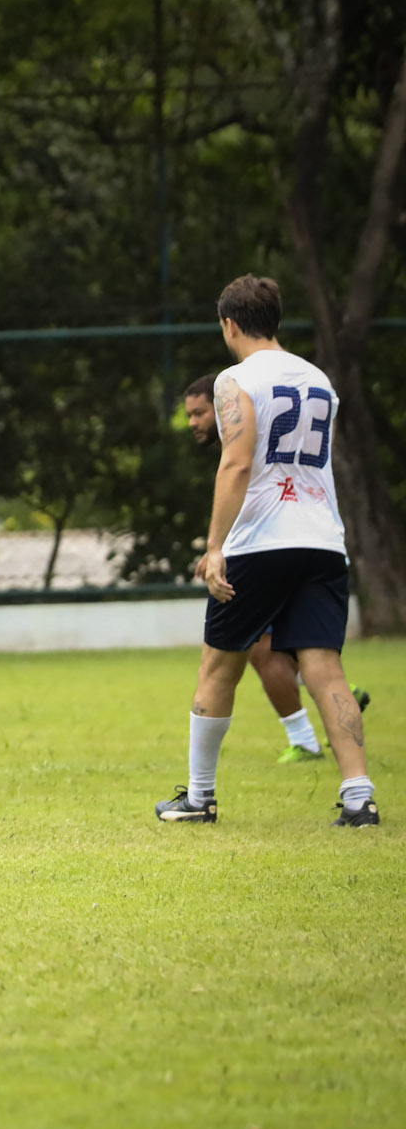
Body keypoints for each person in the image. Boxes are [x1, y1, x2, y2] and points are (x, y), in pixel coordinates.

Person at [157, 275, 379, 827]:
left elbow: (237, 463)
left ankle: (199, 798)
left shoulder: (235, 379)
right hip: (322, 541)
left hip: (261, 541)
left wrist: (215, 546)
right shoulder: (319, 379)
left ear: (230, 324)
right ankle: (359, 797)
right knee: (325, 668)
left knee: (219, 666)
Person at [181, 374, 370, 762]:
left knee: (250, 655)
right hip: (317, 544)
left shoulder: (245, 422)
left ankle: (301, 740)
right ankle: (355, 784)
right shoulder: (307, 392)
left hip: (266, 552)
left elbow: (249, 481)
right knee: (306, 658)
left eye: (200, 412)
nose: (193, 422)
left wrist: (217, 547)